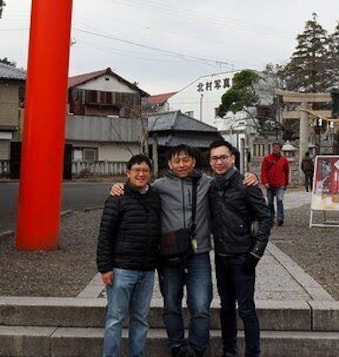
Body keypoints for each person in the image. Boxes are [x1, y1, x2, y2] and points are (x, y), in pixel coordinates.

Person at [111, 145, 258, 357]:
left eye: (186, 160)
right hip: (169, 255)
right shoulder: (159, 186)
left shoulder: (208, 183)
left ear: (194, 162)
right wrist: (118, 187)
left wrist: (251, 177)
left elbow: (232, 182)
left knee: (200, 304)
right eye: (176, 161)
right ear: (169, 164)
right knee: (171, 303)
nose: (181, 164)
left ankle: (197, 348)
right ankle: (176, 345)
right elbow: (138, 186)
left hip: (199, 254)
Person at [207, 139, 272, 357]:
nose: (219, 162)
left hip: (243, 256)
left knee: (246, 308)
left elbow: (266, 218)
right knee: (226, 307)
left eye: (223, 157)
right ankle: (229, 350)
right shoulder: (212, 186)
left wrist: (256, 252)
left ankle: (253, 353)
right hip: (221, 256)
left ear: (232, 158)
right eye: (214, 158)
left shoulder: (246, 184)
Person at [96, 154, 162, 357]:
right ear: (128, 173)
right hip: (121, 269)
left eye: (145, 170)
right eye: (136, 170)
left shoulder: (155, 196)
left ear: (150, 174)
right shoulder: (117, 197)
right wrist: (105, 268)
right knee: (115, 318)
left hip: (147, 270)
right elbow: (105, 234)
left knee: (141, 319)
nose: (141, 174)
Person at [260, 142, 289, 226]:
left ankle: (280, 218)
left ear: (280, 149)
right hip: (270, 183)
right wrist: (265, 182)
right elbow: (263, 171)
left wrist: (286, 183)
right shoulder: (267, 159)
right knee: (270, 202)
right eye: (273, 147)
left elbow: (286, 172)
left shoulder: (284, 160)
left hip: (280, 183)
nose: (275, 149)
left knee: (279, 200)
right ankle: (271, 217)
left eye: (277, 147)